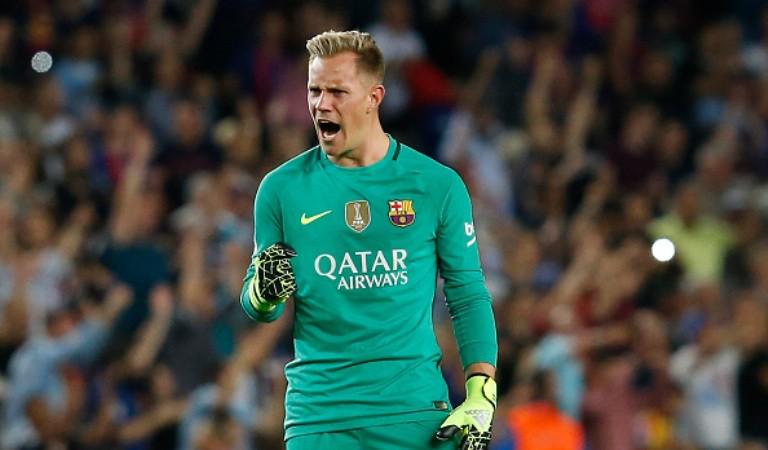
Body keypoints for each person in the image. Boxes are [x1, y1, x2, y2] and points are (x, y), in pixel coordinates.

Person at [239, 30, 498, 450]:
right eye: (314, 90)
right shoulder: (280, 190)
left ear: (374, 97)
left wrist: (480, 392)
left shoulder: (436, 185)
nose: (322, 104)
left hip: (414, 415)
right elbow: (258, 305)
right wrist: (263, 293)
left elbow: (467, 294)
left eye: (337, 91)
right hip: (320, 418)